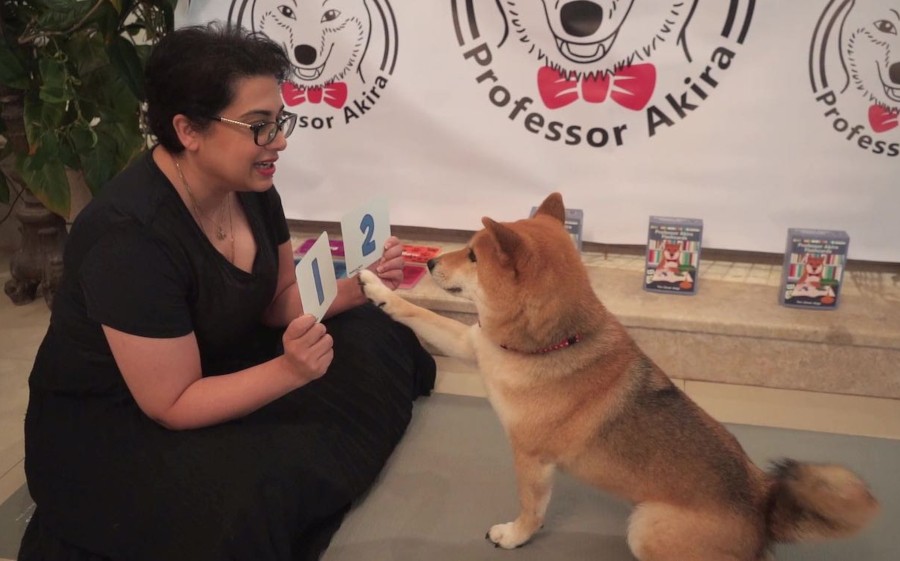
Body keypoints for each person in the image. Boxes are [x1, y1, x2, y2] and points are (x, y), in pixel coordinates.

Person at [19, 23, 434, 561]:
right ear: (188, 130)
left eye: (280, 121)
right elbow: (170, 403)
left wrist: (358, 287)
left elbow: (277, 300)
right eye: (260, 126)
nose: (279, 141)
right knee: (241, 506)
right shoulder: (128, 237)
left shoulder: (252, 186)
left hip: (214, 357)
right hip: (118, 420)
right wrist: (288, 373)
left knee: (373, 333)